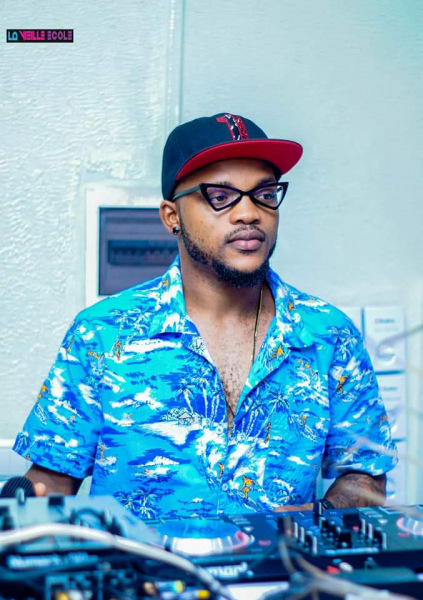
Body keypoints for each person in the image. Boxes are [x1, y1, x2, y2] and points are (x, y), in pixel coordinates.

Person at [13, 112, 397, 519]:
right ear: (172, 217)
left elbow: (366, 476)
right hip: (142, 562)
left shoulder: (328, 335)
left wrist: (315, 518)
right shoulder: (101, 335)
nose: (248, 213)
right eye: (220, 195)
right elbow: (50, 483)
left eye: (264, 193)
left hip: (281, 562)